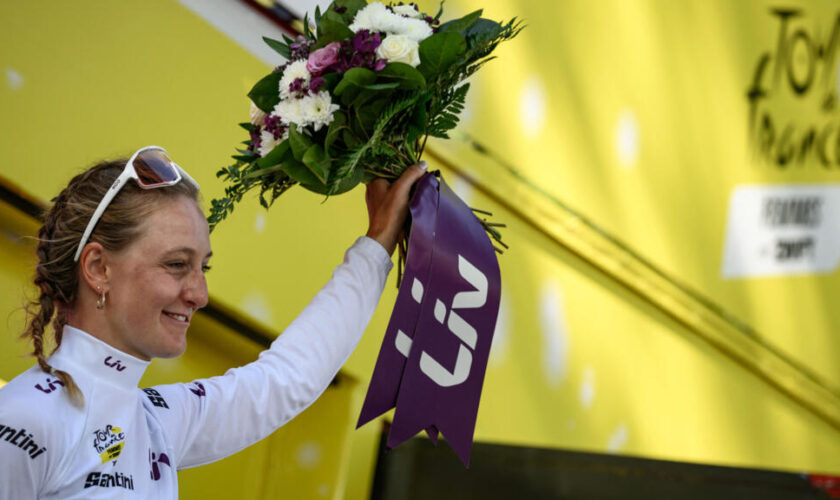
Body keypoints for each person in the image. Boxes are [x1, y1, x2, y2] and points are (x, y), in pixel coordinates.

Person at [0, 146, 427, 498]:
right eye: (176, 264)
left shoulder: (155, 421)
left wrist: (378, 242)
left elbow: (289, 379)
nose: (198, 294)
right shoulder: (24, 420)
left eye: (203, 267)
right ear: (98, 268)